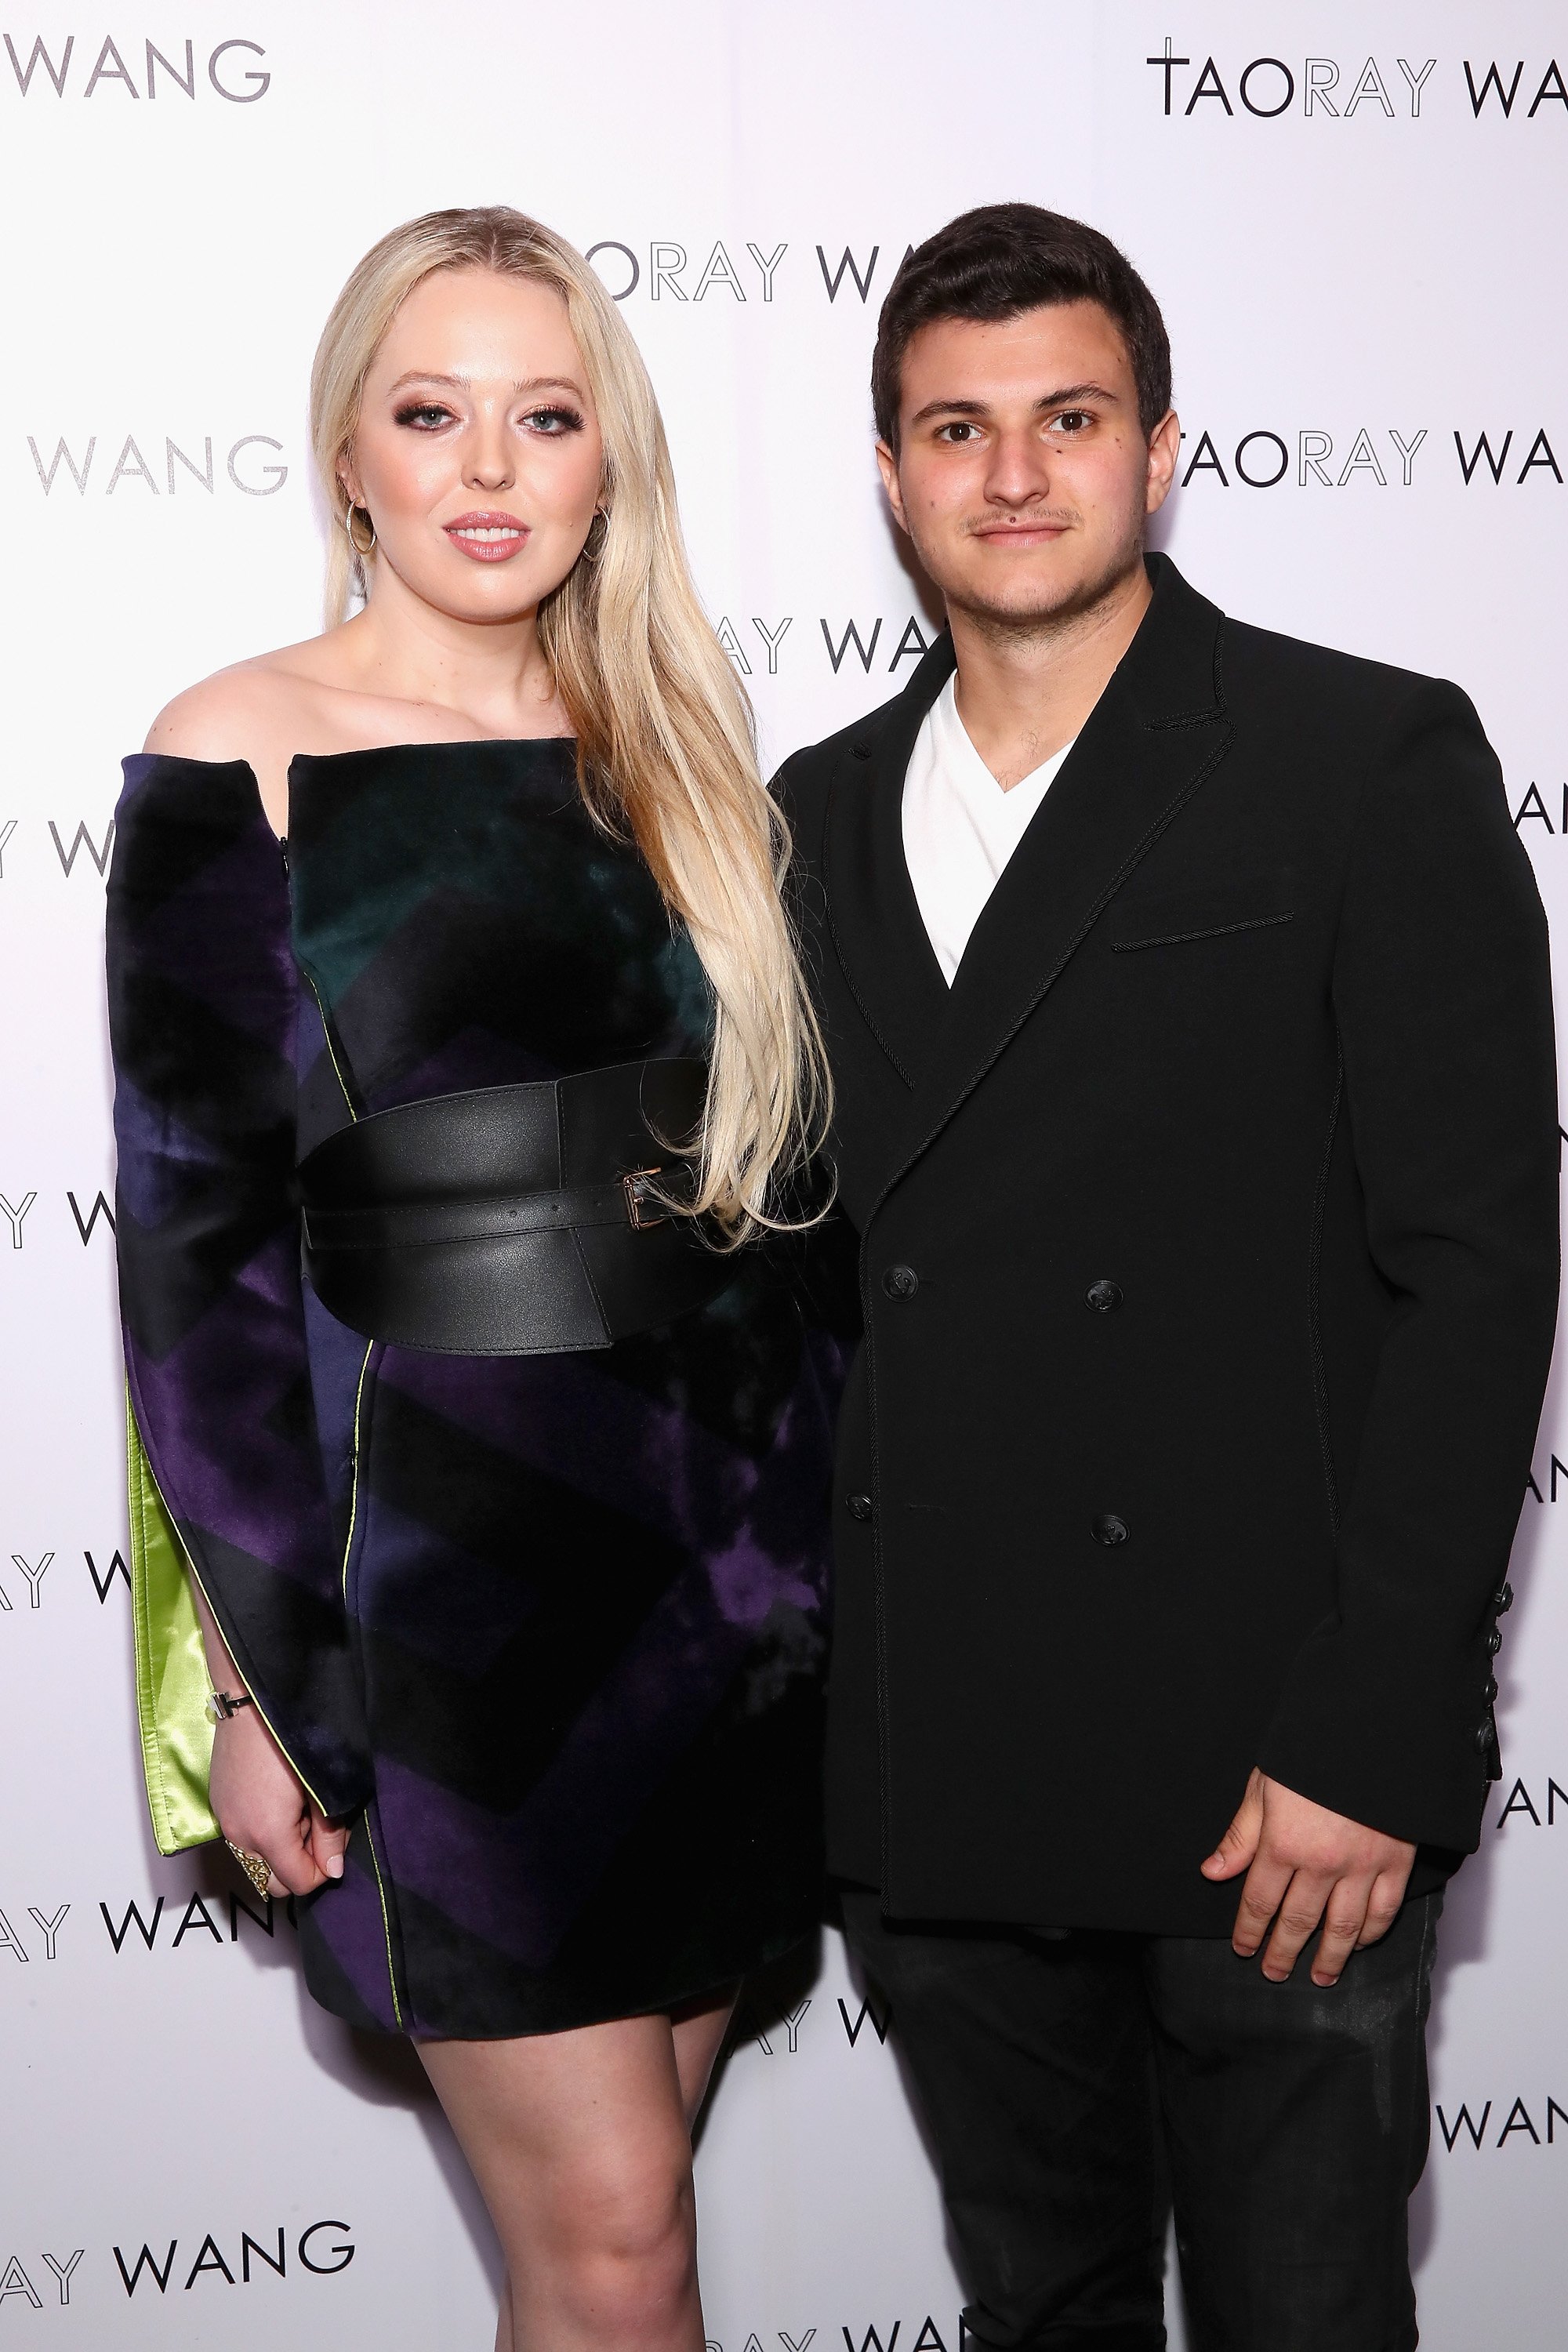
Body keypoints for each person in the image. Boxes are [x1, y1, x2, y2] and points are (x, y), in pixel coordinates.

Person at [777, 203, 1558, 2351]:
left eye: (1068, 418)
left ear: (1162, 447)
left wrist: (1381, 1732)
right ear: (892, 474)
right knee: (1042, 2315)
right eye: (958, 426)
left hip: (1272, 1773)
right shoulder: (805, 822)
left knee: (1309, 2319)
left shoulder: (1359, 761)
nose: (1014, 474)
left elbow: (1479, 1277)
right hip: (942, 1759)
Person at [107, 205, 844, 2352]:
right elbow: (197, 1252)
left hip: (732, 1593)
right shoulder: (238, 745)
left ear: (613, 456)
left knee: (602, 2263)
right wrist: (249, 1688)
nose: (493, 469)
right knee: (618, 2250)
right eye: (435, 416)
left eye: (548, 415)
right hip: (441, 1603)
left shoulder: (683, 755)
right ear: (351, 452)